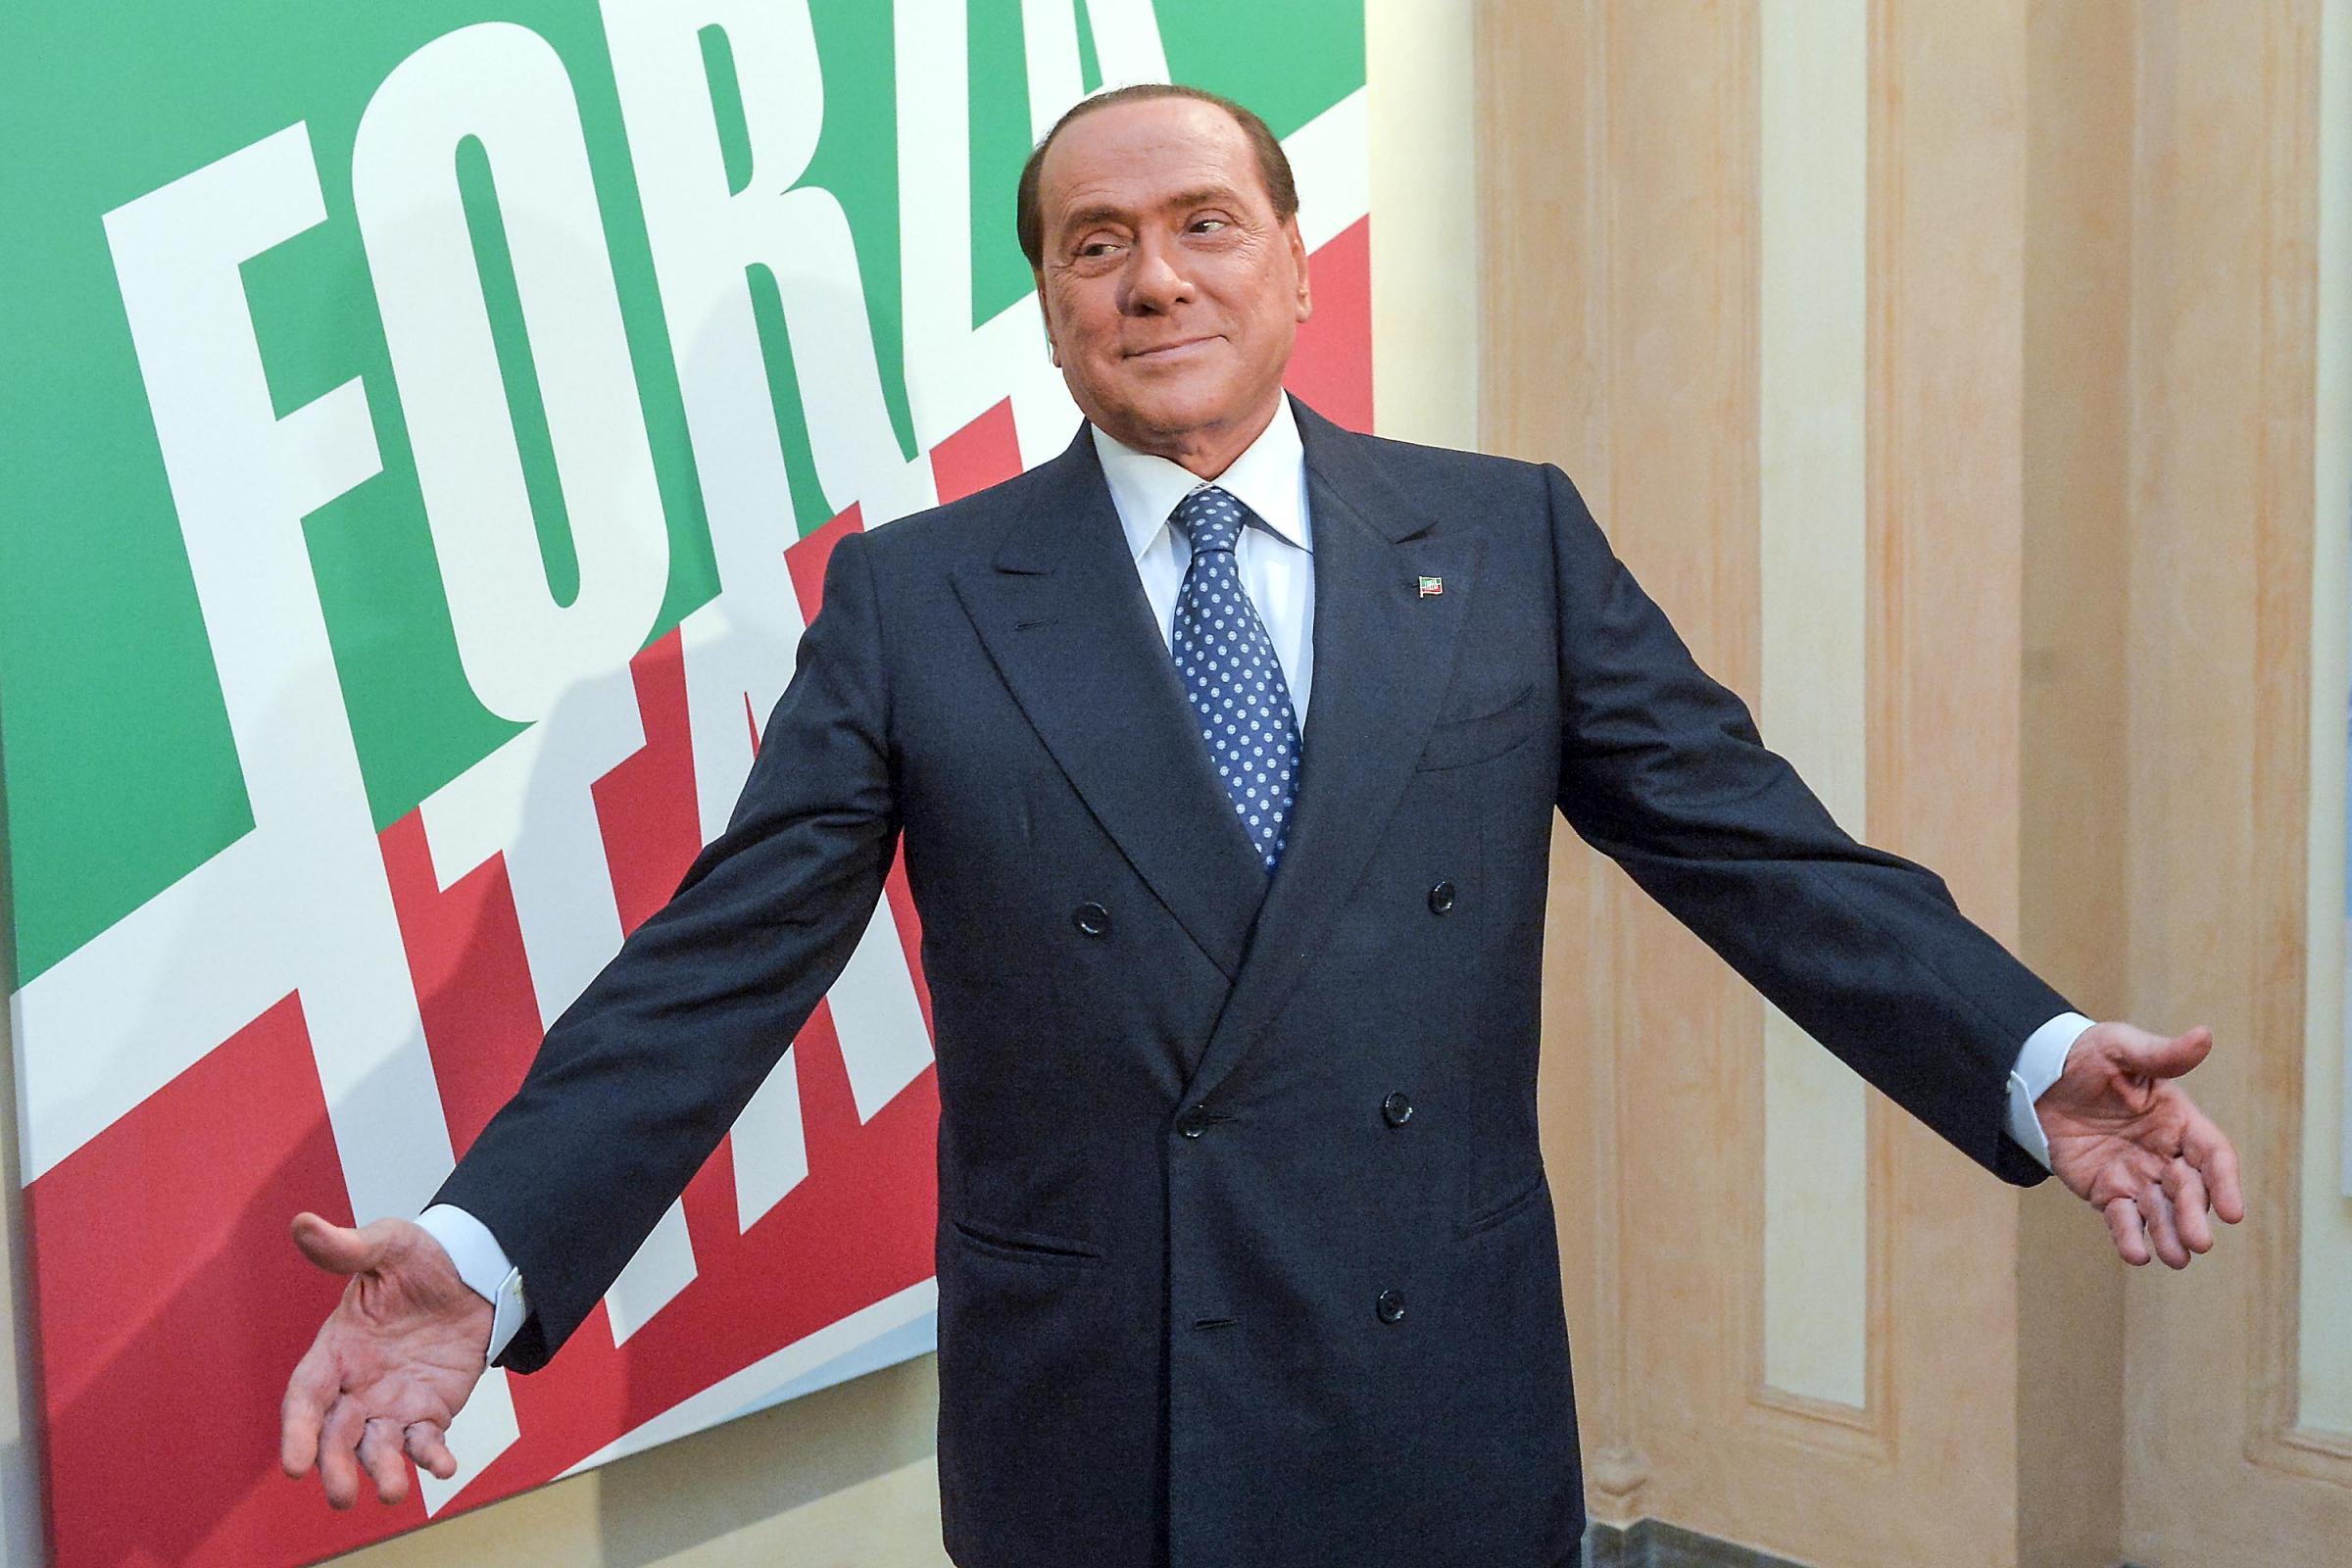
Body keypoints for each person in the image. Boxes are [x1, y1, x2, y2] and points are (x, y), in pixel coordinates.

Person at [278, 84, 2244, 1568]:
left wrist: (2026, 1050)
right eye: (1095, 245)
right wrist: (487, 1247)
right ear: (1051, 308)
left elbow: (1753, 848)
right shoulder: (919, 598)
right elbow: (725, 962)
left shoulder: (1503, 538)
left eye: (1204, 224)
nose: (1154, 279)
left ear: (1297, 262)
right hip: (1099, 1408)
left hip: (1439, 1378)